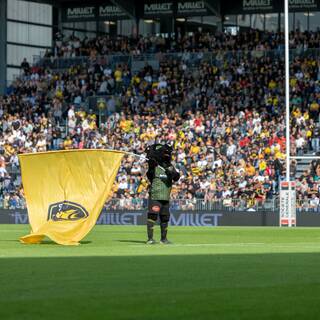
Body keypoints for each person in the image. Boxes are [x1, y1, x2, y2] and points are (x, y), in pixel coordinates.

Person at [145, 143, 180, 244]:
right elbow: (149, 175)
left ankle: (163, 239)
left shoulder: (170, 167)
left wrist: (172, 173)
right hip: (155, 195)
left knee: (165, 217)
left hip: (165, 197)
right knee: (152, 216)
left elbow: (177, 177)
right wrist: (151, 164)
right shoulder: (154, 166)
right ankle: (150, 239)